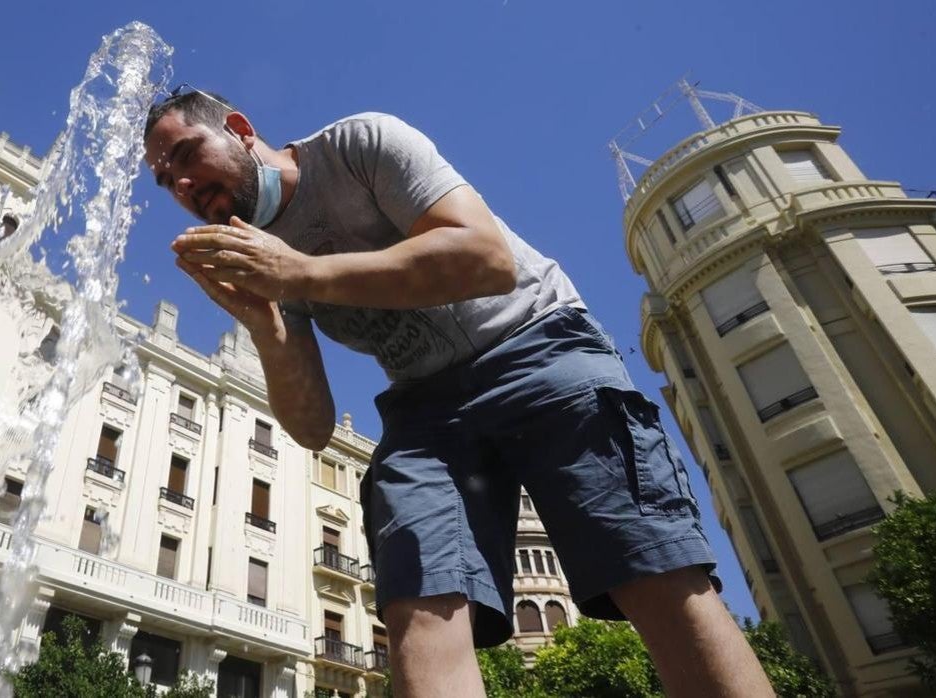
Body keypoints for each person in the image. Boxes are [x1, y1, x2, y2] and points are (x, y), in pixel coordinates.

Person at [144, 85, 772, 698]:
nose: (181, 185)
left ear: (241, 131)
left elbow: (485, 258)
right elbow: (311, 427)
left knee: (654, 575)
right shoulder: (260, 256)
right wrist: (266, 322)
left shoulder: (360, 144)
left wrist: (304, 272)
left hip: (536, 342)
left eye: (184, 155)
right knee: (417, 615)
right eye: (165, 181)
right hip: (422, 407)